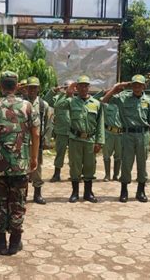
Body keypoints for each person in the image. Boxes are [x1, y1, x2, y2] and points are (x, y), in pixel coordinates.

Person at [0, 71, 40, 256]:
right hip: (20, 166)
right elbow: (36, 134)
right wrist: (34, 158)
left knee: (0, 203)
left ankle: (0, 243)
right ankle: (14, 243)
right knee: (18, 203)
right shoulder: (28, 106)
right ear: (16, 86)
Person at [102, 75, 150, 203]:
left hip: (143, 135)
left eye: (140, 85)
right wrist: (116, 87)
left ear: (144, 86)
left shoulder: (149, 100)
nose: (137, 87)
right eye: (134, 85)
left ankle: (141, 190)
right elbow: (104, 100)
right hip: (127, 135)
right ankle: (124, 190)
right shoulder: (122, 98)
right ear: (131, 86)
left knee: (142, 164)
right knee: (126, 163)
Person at [54, 75, 104, 203]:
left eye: (86, 85)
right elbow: (58, 107)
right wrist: (67, 94)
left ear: (89, 87)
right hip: (75, 139)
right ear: (77, 87)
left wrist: (100, 142)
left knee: (90, 166)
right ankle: (75, 193)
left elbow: (100, 124)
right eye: (80, 85)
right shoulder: (71, 101)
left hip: (90, 140)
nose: (83, 88)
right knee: (75, 166)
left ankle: (88, 193)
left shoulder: (96, 103)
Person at [25, 76, 52, 204]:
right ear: (26, 89)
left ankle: (37, 194)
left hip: (37, 141)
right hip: (23, 141)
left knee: (37, 168)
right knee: (22, 168)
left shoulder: (43, 105)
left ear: (38, 89)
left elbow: (47, 124)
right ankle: (22, 194)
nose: (32, 90)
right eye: (30, 88)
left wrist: (46, 140)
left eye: (34, 88)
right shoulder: (21, 103)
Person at [44, 80, 73, 182]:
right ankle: (57, 174)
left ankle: (74, 174)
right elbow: (46, 101)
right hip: (61, 131)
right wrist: (54, 90)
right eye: (66, 87)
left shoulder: (77, 100)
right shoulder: (57, 99)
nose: (68, 90)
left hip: (74, 132)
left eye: (71, 87)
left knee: (74, 154)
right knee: (60, 153)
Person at [92, 90, 123, 182]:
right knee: (106, 155)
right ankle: (107, 175)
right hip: (108, 133)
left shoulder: (123, 105)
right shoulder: (105, 105)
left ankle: (116, 175)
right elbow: (94, 99)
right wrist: (103, 92)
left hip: (120, 134)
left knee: (119, 156)